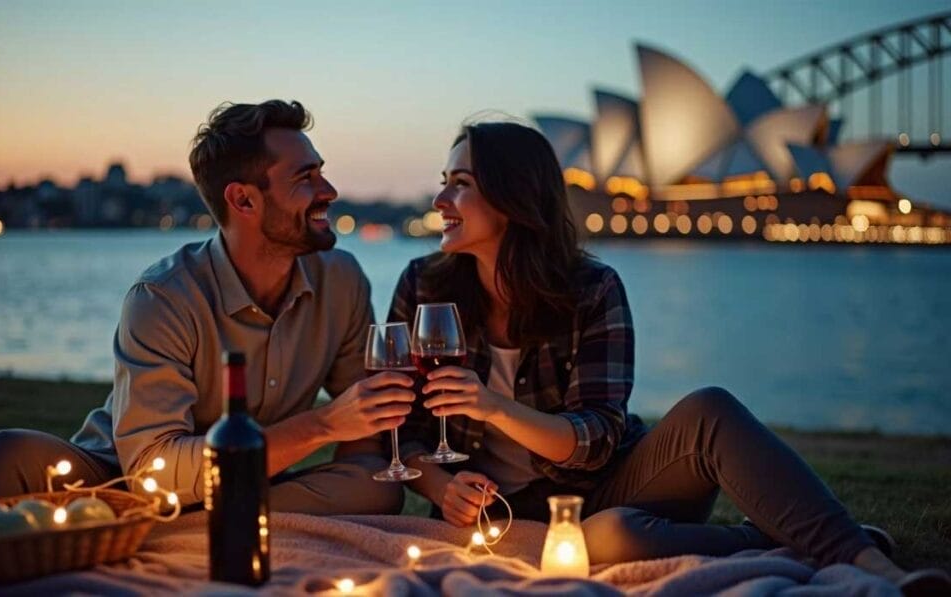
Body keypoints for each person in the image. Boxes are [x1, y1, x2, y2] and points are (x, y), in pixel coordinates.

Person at [388, 120, 948, 592]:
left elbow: (596, 439)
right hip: (500, 517)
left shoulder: (592, 288)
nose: (439, 201)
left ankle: (874, 567)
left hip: (601, 485)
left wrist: (493, 407)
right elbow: (403, 427)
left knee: (710, 409)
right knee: (613, 540)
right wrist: (440, 488)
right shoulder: (423, 287)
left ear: (513, 199)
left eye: (460, 185)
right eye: (444, 183)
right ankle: (771, 538)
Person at [0, 100, 412, 515]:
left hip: (252, 487)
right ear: (243, 200)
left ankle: (204, 523)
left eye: (321, 171)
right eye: (306, 177)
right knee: (10, 451)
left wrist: (351, 445)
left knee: (378, 487)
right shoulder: (163, 299)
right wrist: (323, 425)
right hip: (117, 482)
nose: (328, 190)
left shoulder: (341, 280)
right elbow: (151, 475)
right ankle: (178, 521)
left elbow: (365, 441)